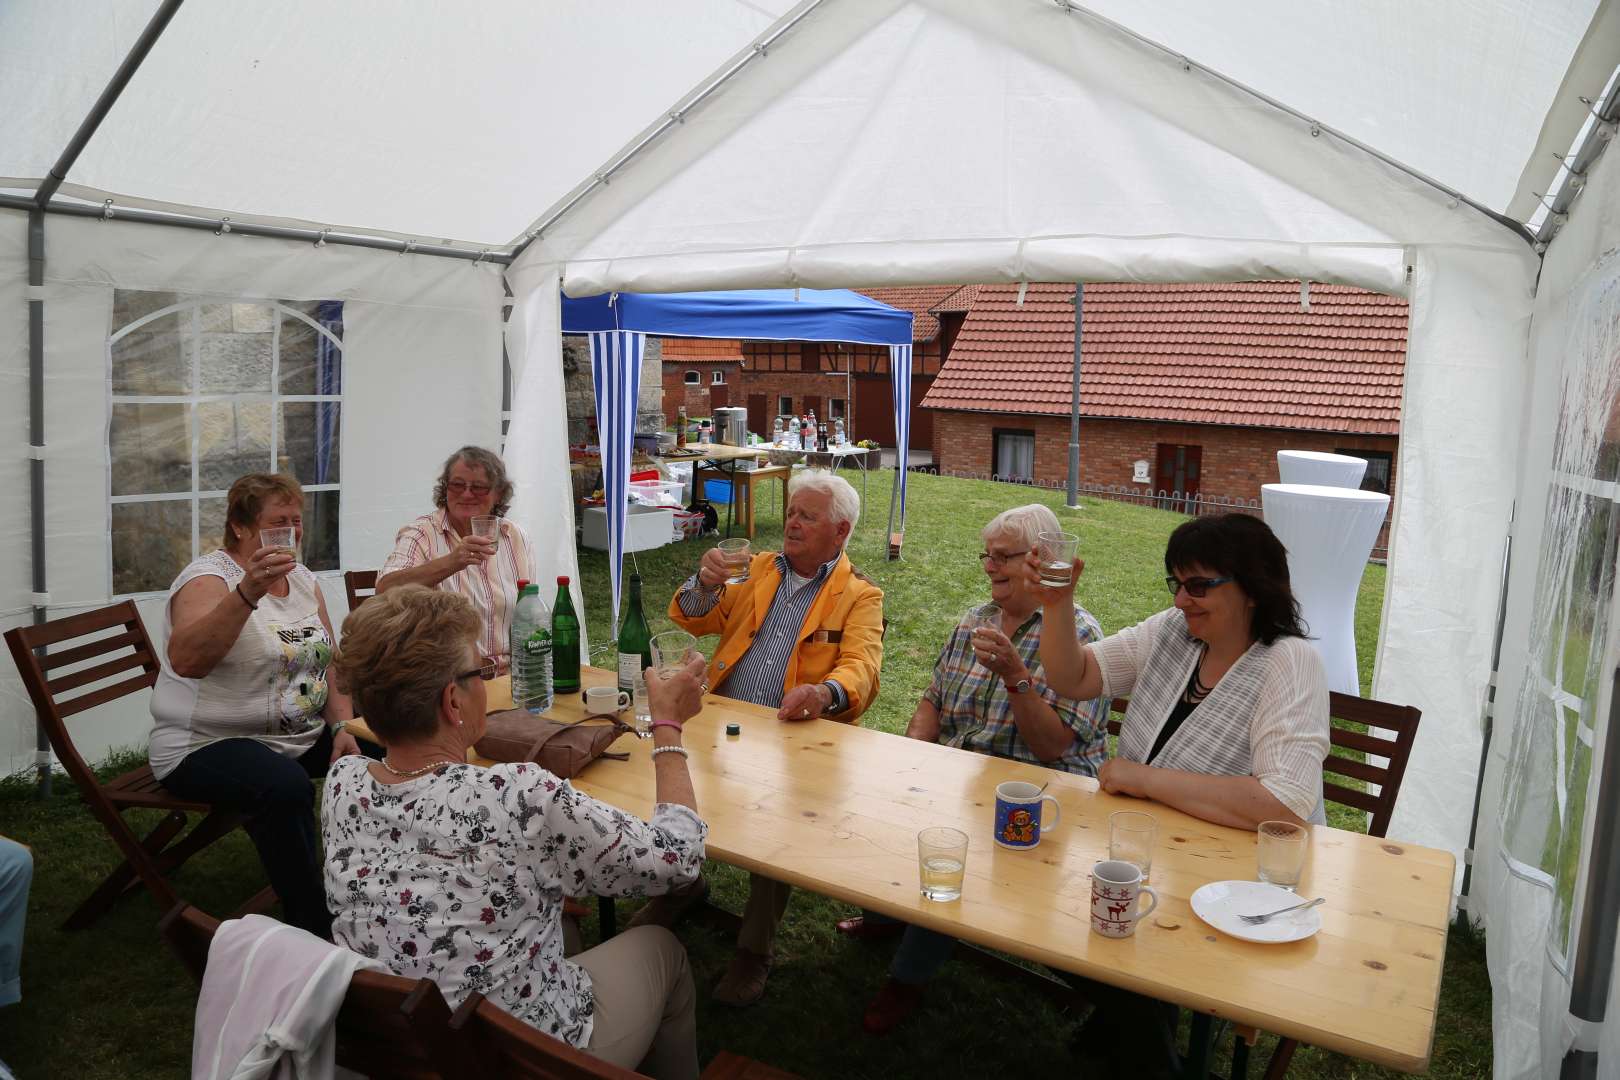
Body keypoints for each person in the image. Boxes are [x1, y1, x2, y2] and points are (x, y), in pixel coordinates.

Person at [323, 586, 709, 1080]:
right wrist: (669, 726)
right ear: (452, 701)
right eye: (479, 674)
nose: (487, 683)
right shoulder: (519, 795)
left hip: (396, 1046)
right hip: (515, 1059)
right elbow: (677, 858)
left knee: (564, 925)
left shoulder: (343, 783)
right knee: (663, 950)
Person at [1029, 512, 1329, 1077]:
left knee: (1113, 944)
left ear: (1253, 586)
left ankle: (1147, 1051)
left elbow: (1284, 805)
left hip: (1245, 883)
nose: (1183, 598)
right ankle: (1133, 1029)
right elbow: (1074, 677)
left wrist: (1141, 779)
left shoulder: (1289, 662)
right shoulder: (1172, 632)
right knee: (1053, 915)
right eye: (1177, 583)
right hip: (1157, 858)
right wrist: (1058, 604)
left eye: (1199, 585)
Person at [851, 504, 1110, 1034]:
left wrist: (1017, 675)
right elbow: (933, 699)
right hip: (964, 777)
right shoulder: (975, 619)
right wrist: (914, 756)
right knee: (877, 802)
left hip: (1043, 797)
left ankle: (906, 978)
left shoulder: (1079, 636)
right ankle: (886, 915)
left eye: (1003, 557)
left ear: (1039, 562)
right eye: (986, 556)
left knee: (956, 845)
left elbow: (1053, 747)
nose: (990, 566)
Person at [633, 469, 883, 1007]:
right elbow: (697, 618)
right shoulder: (761, 568)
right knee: (666, 781)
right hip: (721, 716)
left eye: (806, 516)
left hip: (793, 737)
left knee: (776, 833)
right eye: (792, 511)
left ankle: (754, 949)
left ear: (839, 532)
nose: (791, 522)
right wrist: (704, 582)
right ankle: (681, 886)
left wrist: (825, 693)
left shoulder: (859, 595)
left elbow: (863, 668)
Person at [152, 473, 367, 940]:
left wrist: (346, 727)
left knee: (389, 744)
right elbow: (188, 660)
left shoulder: (304, 579)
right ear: (241, 527)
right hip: (209, 742)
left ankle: (382, 885)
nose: (290, 533)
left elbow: (328, 664)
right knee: (285, 787)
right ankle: (316, 927)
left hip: (296, 734)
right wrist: (248, 592)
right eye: (277, 523)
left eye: (296, 522)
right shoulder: (209, 580)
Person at [377, 446, 535, 671]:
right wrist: (452, 561)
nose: (467, 494)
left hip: (512, 675)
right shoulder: (422, 534)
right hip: (447, 679)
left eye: (478, 487)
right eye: (457, 485)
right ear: (445, 488)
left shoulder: (515, 536)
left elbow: (528, 612)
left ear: (498, 493)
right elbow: (385, 590)